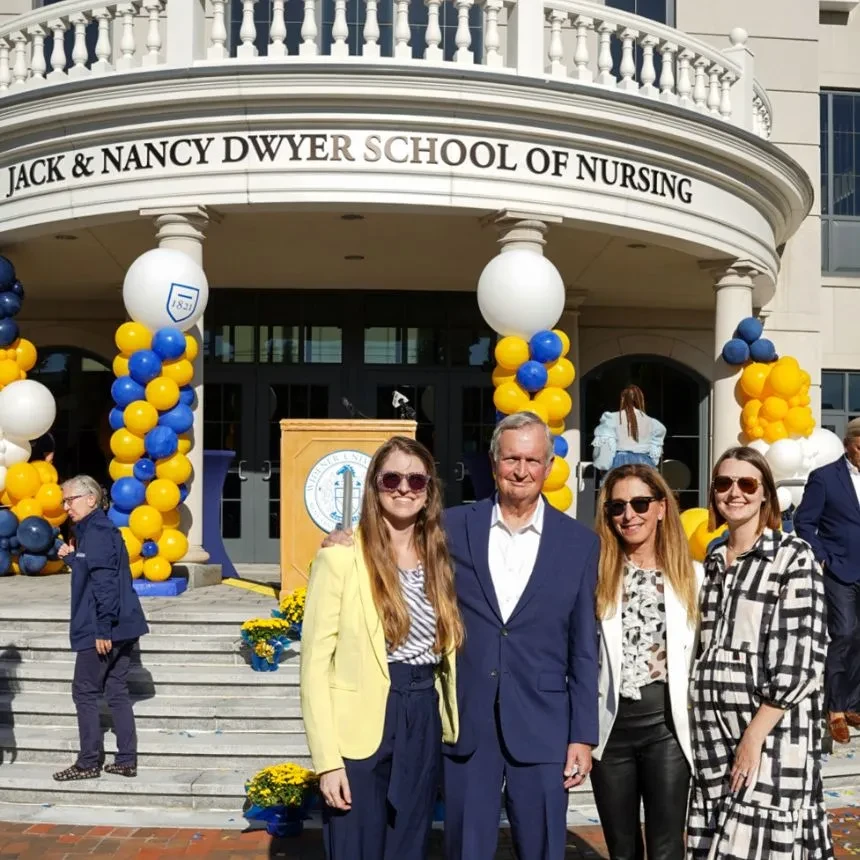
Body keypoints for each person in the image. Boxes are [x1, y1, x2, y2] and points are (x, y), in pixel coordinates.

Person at [323, 413, 599, 860]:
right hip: (467, 723)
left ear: (549, 466)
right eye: (511, 458)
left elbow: (584, 649)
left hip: (545, 725)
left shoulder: (580, 543)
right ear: (493, 462)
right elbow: (392, 540)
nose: (521, 470)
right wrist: (345, 541)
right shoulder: (449, 528)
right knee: (465, 849)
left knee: (544, 848)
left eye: (532, 460)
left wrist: (582, 736)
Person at [301, 436, 463, 860]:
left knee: (409, 845)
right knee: (354, 846)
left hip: (422, 713)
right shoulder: (340, 558)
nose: (404, 489)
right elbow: (314, 666)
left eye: (416, 480)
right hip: (360, 723)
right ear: (375, 485)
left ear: (429, 490)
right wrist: (327, 761)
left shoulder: (442, 560)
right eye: (392, 479)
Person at [687, 447, 833, 859]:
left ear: (765, 492)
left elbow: (801, 659)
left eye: (747, 484)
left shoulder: (792, 556)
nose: (734, 493)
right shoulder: (713, 558)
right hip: (714, 732)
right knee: (718, 837)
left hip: (771, 730)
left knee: (760, 841)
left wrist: (754, 737)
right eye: (724, 483)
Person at [590, 464, 702, 860]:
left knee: (667, 846)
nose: (629, 515)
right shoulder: (595, 575)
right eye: (617, 506)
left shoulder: (693, 577)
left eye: (640, 503)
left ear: (661, 508)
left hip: (666, 727)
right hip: (609, 730)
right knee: (621, 849)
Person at [53, 475, 149, 782]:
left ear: (91, 499)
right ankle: (126, 760)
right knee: (116, 690)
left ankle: (88, 763)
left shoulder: (97, 531)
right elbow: (97, 570)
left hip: (105, 626)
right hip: (122, 624)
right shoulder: (95, 531)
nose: (66, 507)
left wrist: (103, 629)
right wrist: (73, 559)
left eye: (70, 500)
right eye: (64, 501)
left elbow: (105, 586)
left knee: (84, 691)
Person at [794, 417, 860, 744]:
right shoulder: (824, 477)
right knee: (844, 633)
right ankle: (834, 710)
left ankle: (853, 705)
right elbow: (804, 522)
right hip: (839, 570)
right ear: (848, 445)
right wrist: (821, 557)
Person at [592, 384, 666, 472]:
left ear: (622, 399)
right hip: (645, 463)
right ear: (641, 400)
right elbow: (655, 454)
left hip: (620, 463)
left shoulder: (612, 418)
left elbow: (605, 450)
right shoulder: (652, 423)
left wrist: (603, 466)